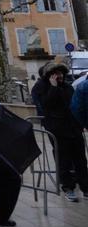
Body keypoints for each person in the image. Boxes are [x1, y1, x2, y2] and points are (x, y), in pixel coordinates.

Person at [40, 62, 88, 201]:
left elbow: (76, 105)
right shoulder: (45, 88)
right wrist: (54, 88)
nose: (59, 75)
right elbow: (46, 105)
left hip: (74, 128)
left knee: (81, 160)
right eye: (56, 73)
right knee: (64, 161)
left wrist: (80, 123)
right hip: (58, 131)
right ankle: (68, 187)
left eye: (60, 73)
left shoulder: (68, 87)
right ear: (50, 76)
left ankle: (85, 187)